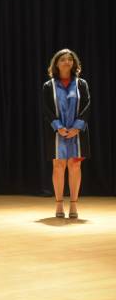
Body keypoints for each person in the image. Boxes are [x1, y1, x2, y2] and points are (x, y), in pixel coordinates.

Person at [42, 48, 91, 219]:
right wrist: (58, 127)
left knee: (75, 166)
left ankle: (74, 205)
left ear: (74, 63)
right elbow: (46, 109)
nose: (67, 62)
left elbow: (87, 105)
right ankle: (59, 204)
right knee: (58, 166)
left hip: (77, 132)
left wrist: (77, 127)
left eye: (70, 59)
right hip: (57, 132)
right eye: (63, 59)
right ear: (56, 63)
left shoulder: (81, 84)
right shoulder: (49, 86)